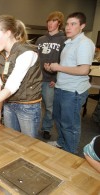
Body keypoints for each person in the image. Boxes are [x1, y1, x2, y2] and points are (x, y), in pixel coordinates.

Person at [45, 12, 95, 154]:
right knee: (59, 120)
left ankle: (70, 153)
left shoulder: (84, 43)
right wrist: (53, 68)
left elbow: (84, 70)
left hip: (73, 91)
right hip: (62, 87)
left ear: (82, 26)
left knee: (70, 125)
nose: (68, 27)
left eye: (73, 24)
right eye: (67, 24)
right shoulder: (69, 42)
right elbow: (69, 65)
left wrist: (58, 67)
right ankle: (61, 143)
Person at [35, 11, 66, 140]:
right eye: (49, 21)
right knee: (34, 106)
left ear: (59, 23)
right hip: (36, 79)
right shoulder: (40, 39)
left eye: (53, 21)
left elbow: (65, 61)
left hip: (50, 81)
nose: (50, 24)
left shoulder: (64, 40)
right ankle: (32, 127)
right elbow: (34, 59)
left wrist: (56, 77)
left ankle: (46, 128)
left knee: (49, 108)